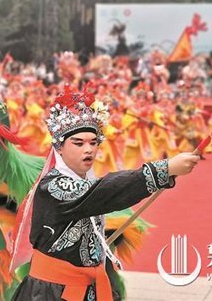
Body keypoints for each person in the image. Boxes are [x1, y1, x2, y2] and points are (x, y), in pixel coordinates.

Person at [11, 86, 199, 300]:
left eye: (93, 143)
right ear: (59, 148)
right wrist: (164, 169)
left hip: (86, 289)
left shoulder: (83, 182)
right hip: (51, 292)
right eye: (78, 143)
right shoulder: (54, 187)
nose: (88, 149)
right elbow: (104, 192)